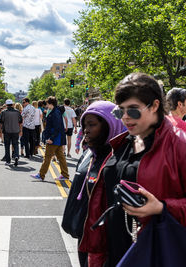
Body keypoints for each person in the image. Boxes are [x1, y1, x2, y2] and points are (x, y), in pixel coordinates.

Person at [79, 73, 186, 266]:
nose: (126, 118)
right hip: (115, 252)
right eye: (121, 111)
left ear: (154, 106)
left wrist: (162, 207)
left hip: (155, 253)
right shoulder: (122, 143)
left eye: (133, 110)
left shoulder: (180, 145)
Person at [62, 101, 125, 267]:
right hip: (85, 237)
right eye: (84, 125)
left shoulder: (120, 161)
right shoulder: (88, 154)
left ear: (109, 125)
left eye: (92, 124)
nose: (85, 130)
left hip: (107, 245)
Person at [31, 96, 69, 181]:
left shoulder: (55, 112)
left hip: (54, 139)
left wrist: (51, 138)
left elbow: (57, 127)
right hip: (57, 138)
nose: (46, 105)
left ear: (51, 104)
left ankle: (41, 175)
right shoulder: (56, 111)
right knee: (60, 157)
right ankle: (65, 174)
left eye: (47, 104)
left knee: (47, 157)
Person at [0, 99, 22, 166]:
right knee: (15, 144)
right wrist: (20, 130)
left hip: (7, 131)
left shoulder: (4, 112)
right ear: (12, 104)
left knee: (7, 146)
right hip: (16, 130)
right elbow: (21, 122)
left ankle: (8, 160)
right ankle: (16, 156)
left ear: (6, 105)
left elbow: (1, 123)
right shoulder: (17, 112)